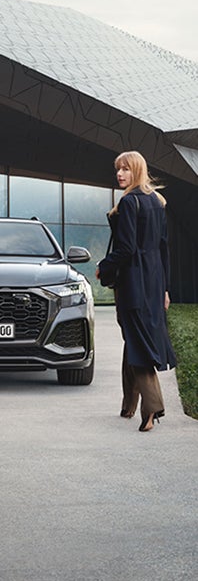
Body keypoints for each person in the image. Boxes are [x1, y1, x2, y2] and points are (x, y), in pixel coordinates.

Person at [96, 151, 177, 432]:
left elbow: (126, 249)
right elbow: (163, 248)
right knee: (134, 339)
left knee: (138, 343)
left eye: (126, 170)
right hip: (153, 283)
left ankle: (152, 408)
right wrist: (165, 288)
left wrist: (103, 267)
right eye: (118, 169)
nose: (120, 174)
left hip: (133, 283)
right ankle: (129, 404)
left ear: (137, 171)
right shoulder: (157, 201)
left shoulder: (130, 202)